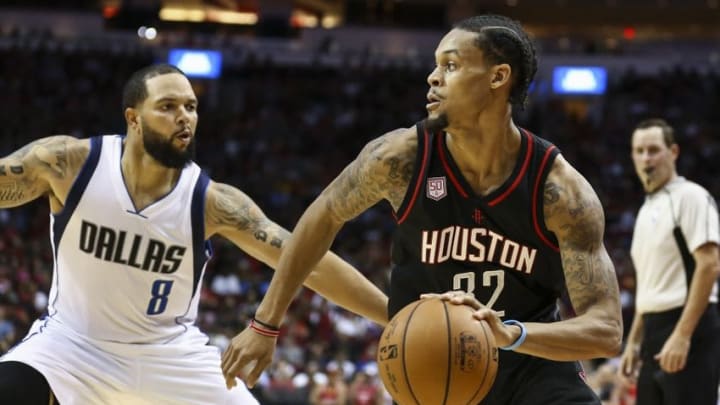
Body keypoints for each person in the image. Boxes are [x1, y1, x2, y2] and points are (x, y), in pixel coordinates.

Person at [222, 13, 623, 405]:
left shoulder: (559, 191)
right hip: (431, 366)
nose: (433, 78)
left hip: (532, 373)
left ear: (498, 77)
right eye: (435, 66)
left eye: (450, 65)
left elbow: (606, 329)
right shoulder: (399, 158)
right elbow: (322, 217)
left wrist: (510, 333)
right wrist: (265, 323)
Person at [0, 63, 388, 405]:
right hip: (72, 347)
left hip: (169, 356)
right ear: (133, 118)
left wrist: (395, 315)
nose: (184, 116)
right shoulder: (69, 164)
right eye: (168, 107)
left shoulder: (211, 202)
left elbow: (307, 261)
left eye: (191, 106)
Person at [618, 118, 720, 405]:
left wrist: (682, 335)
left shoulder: (691, 197)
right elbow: (649, 286)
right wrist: (634, 342)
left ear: (673, 152)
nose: (645, 158)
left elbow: (710, 265)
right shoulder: (645, 210)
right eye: (639, 151)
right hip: (653, 329)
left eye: (653, 149)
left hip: (688, 325)